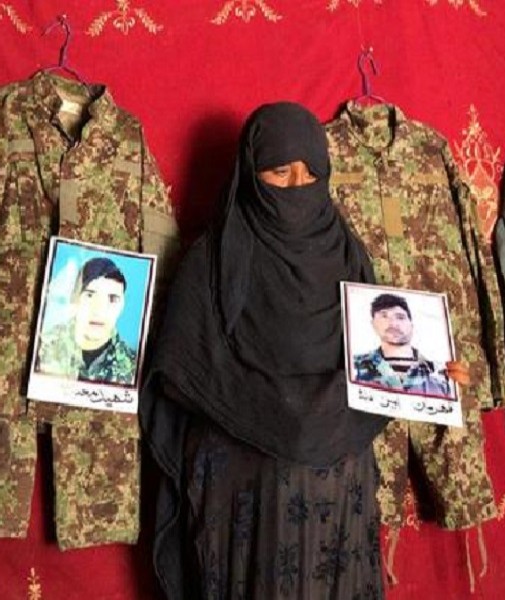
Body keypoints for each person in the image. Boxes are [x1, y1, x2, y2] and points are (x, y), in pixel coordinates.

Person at [141, 102, 391, 600]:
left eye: (311, 172)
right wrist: (273, 411)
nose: (298, 185)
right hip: (244, 492)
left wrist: (431, 374)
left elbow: (384, 358)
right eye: (280, 171)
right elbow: (178, 371)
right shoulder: (212, 260)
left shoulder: (349, 256)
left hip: (338, 488)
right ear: (250, 176)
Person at [36, 256, 137, 385]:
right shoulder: (43, 346)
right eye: (90, 295)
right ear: (75, 298)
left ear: (122, 305)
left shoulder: (133, 366)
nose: (99, 310)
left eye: (112, 299)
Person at [353, 292, 453, 397]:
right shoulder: (353, 367)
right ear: (373, 324)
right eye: (384, 316)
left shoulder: (440, 374)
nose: (392, 323)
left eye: (400, 317)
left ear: (411, 324)